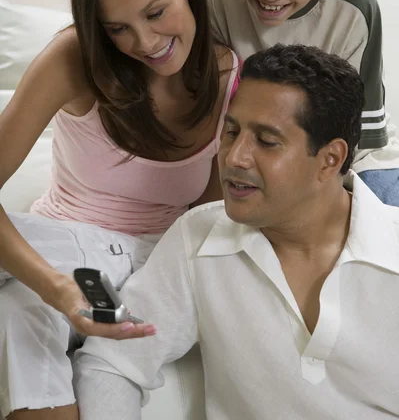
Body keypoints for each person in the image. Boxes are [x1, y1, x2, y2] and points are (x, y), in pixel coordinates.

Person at [74, 43, 399, 420]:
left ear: (330, 159)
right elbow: (112, 361)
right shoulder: (198, 237)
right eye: (231, 132)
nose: (234, 157)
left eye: (266, 141)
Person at [0, 0, 239, 419]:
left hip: (151, 268)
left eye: (156, 13)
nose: (146, 43)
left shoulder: (230, 77)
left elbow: (209, 217)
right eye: (119, 29)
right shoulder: (75, 58)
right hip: (72, 257)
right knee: (20, 308)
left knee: (20, 303)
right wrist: (54, 286)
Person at [204, 0, 399, 206]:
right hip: (244, 150)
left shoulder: (354, 8)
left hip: (335, 153)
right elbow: (208, 109)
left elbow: (358, 135)